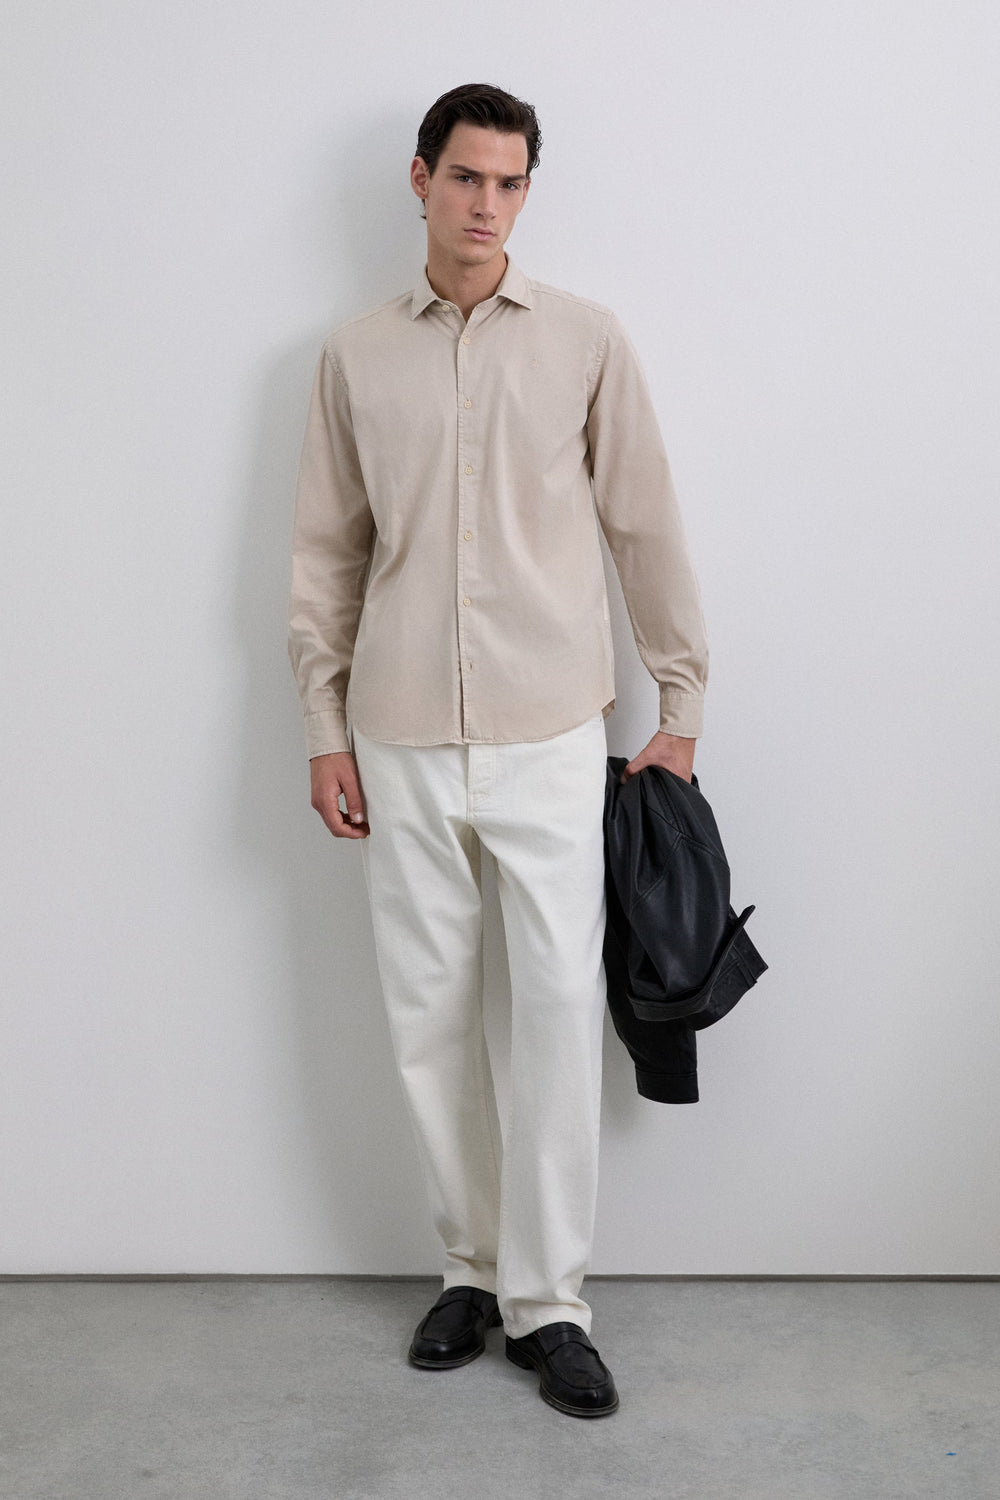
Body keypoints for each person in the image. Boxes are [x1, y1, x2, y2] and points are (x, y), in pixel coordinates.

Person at [287, 82, 709, 1419]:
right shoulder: (354, 356)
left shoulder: (585, 340)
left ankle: (551, 1303)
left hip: (548, 728)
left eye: (509, 182)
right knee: (427, 1015)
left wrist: (681, 700)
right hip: (401, 731)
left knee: (558, 1015)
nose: (487, 204)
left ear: (528, 191)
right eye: (466, 177)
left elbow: (644, 523)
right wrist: (323, 725)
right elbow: (328, 552)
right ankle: (467, 1274)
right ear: (421, 180)